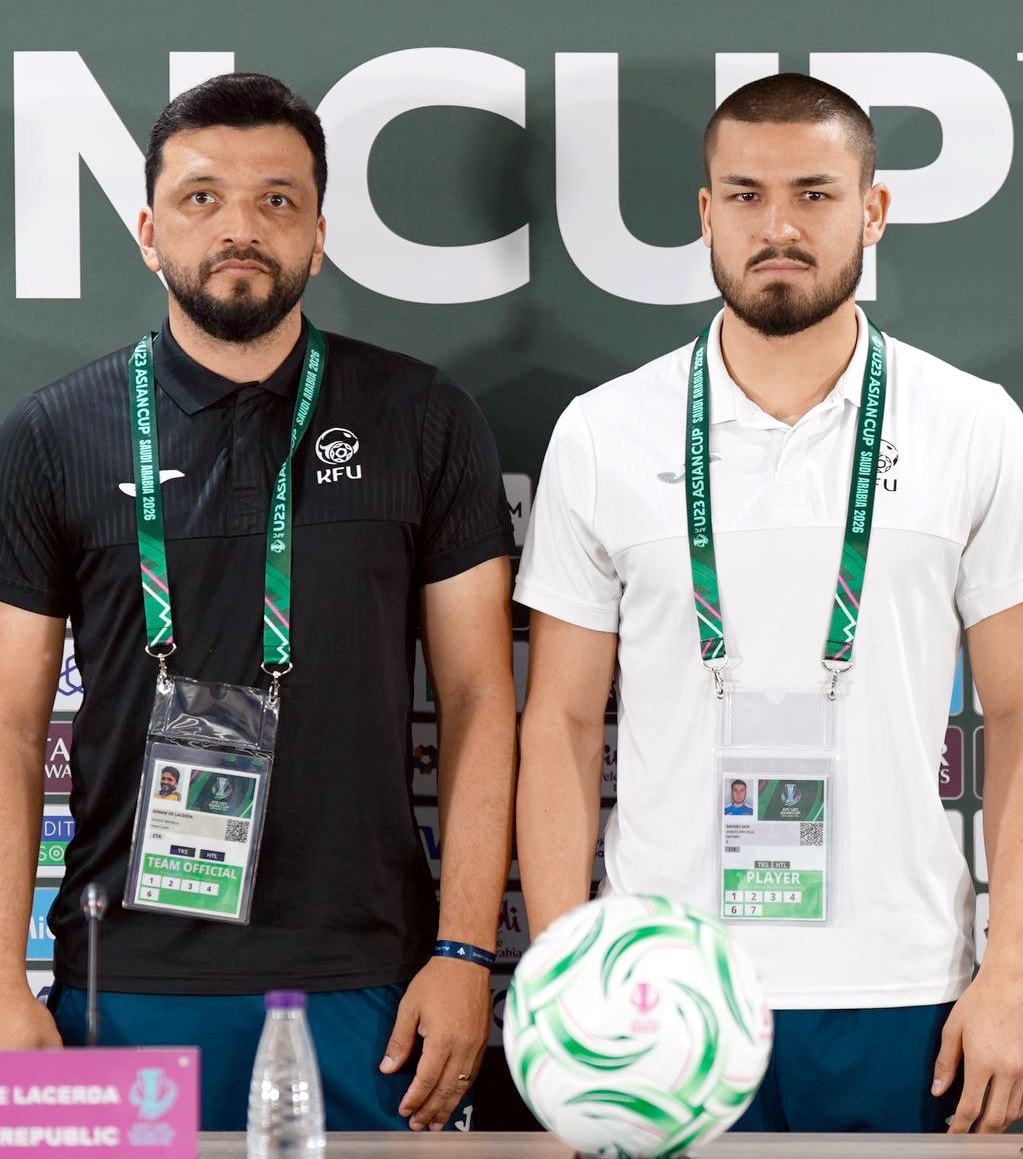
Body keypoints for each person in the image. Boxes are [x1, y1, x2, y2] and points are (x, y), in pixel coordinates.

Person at [0, 73, 516, 1133]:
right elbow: (10, 724)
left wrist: (466, 950)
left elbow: (477, 697)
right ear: (149, 232)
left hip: (369, 979)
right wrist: (4, 977)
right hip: (117, 979)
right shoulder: (52, 435)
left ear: (318, 237)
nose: (239, 226)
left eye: (276, 199)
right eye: (202, 198)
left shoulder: (422, 417)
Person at [515, 73, 1023, 1134]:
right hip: (657, 996)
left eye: (814, 194)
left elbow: (1017, 714)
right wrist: (567, 979)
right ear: (706, 213)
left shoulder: (974, 425)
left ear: (873, 211)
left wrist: (1012, 972)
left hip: (905, 985)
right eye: (745, 195)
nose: (778, 227)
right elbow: (558, 723)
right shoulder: (604, 432)